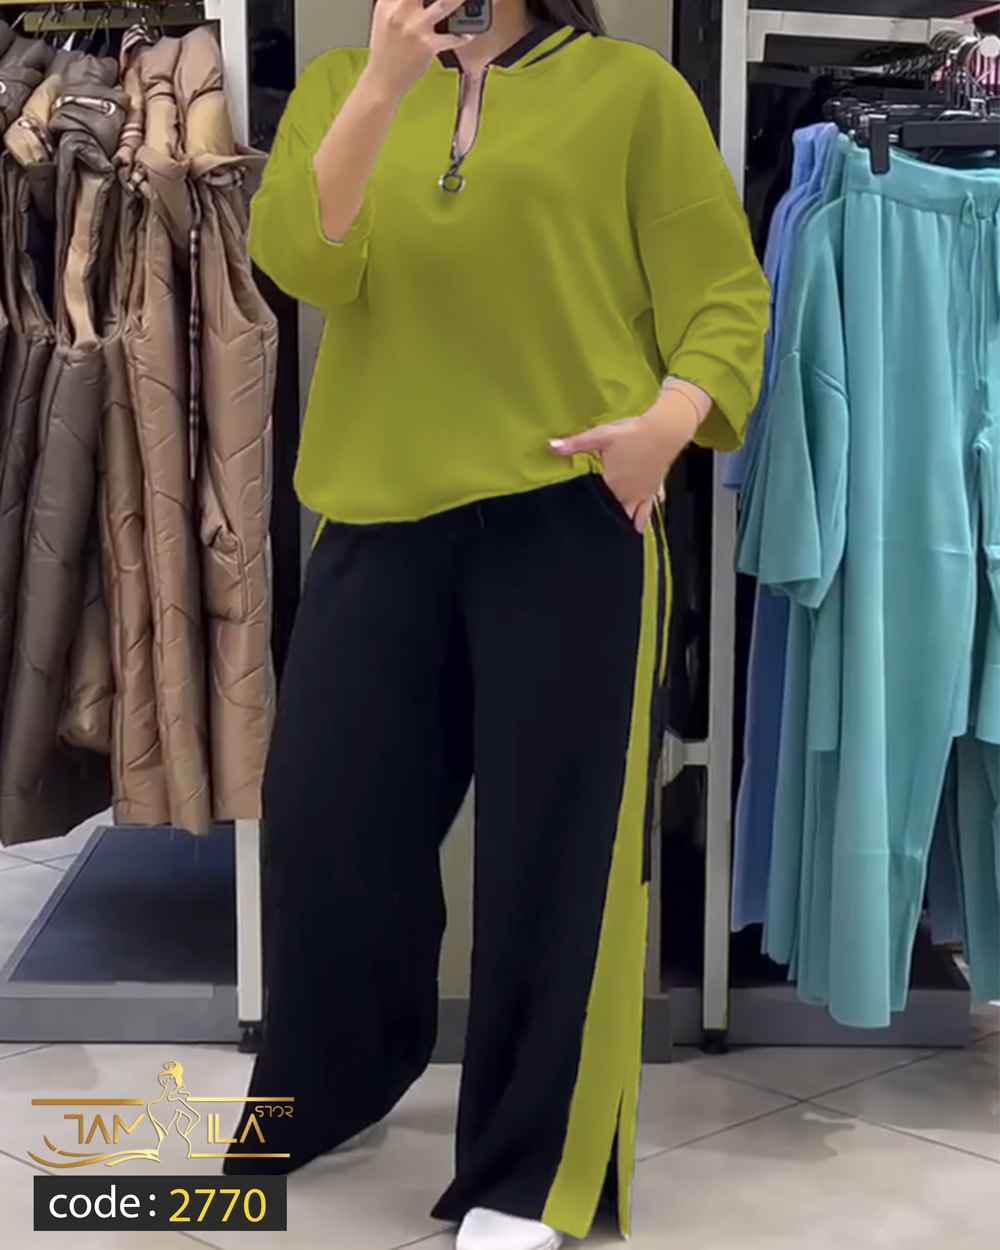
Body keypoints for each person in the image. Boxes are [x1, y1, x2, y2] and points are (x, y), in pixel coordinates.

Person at [224, 3, 768, 1248]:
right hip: (376, 514)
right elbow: (303, 262)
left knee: (554, 861)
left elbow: (725, 297)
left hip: (572, 521)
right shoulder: (340, 85)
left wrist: (669, 423)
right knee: (325, 828)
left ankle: (530, 1174)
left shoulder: (631, 94)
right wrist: (381, 84)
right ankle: (334, 1083)